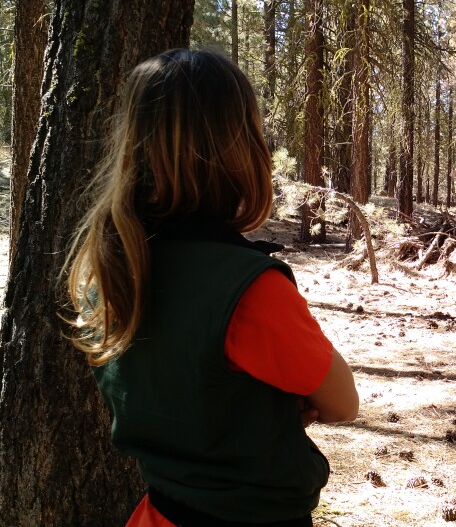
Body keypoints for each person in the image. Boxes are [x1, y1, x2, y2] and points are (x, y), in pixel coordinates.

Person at [66, 49, 359, 527]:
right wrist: (277, 405)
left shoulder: (106, 272)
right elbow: (343, 402)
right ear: (243, 151)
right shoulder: (248, 289)